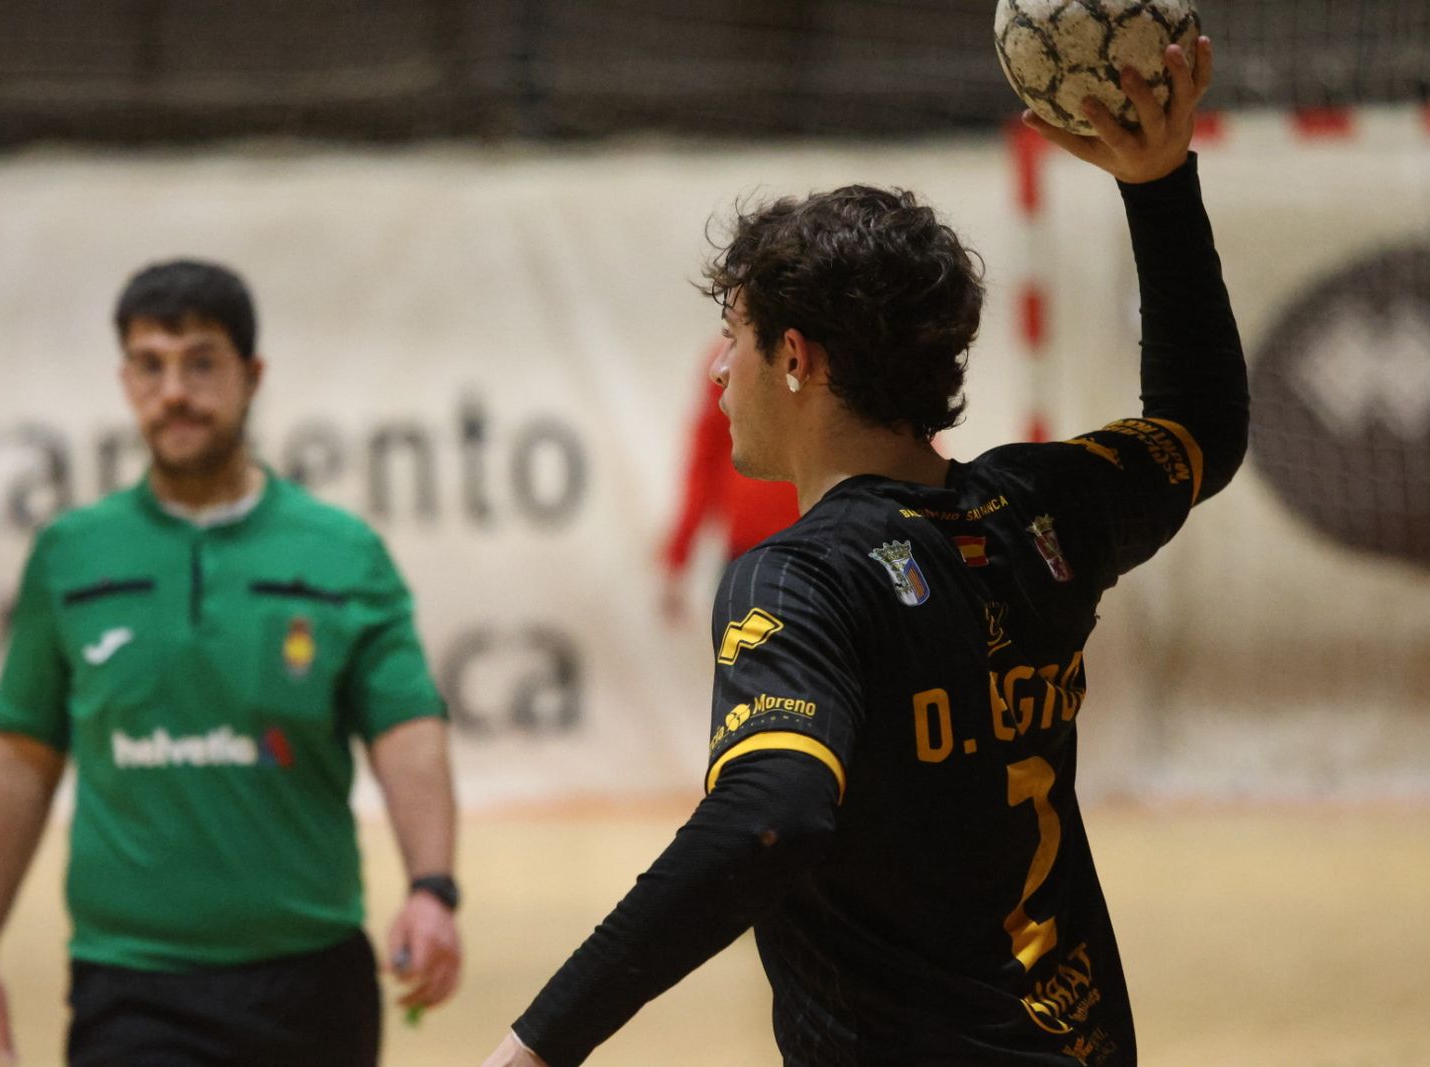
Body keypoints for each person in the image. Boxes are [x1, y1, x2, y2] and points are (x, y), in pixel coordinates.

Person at [485, 39, 1241, 1067]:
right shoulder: (1041, 508)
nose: (720, 370)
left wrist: (534, 1045)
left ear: (796, 358)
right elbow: (1202, 426)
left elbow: (774, 814)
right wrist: (1158, 185)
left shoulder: (799, 578)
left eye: (735, 335)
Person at [0, 260, 463, 1067]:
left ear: (252, 376)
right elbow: (20, 754)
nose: (174, 392)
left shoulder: (343, 553)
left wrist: (432, 888)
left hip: (311, 980)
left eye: (200, 363)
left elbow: (407, 728)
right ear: (124, 381)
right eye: (150, 366)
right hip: (130, 983)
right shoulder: (71, 555)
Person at [661, 338, 802, 624]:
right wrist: (679, 554)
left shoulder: (732, 359)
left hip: (788, 551)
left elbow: (705, 462)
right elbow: (705, 460)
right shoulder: (729, 360)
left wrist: (679, 556)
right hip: (758, 551)